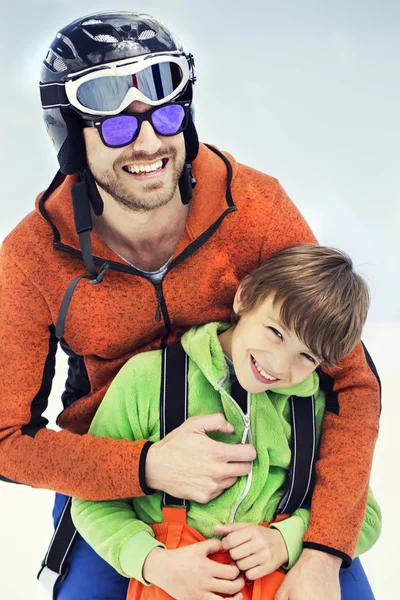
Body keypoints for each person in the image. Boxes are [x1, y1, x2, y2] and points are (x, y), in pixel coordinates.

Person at [0, 10, 380, 600]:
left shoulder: (255, 207)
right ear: (71, 137)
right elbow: (5, 440)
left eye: (165, 116)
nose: (149, 143)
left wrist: (322, 549)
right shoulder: (32, 257)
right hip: (118, 493)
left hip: (272, 481)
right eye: (119, 129)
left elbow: (352, 378)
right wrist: (145, 467)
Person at [71, 244, 381, 600]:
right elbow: (92, 499)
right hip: (171, 578)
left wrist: (285, 540)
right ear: (245, 297)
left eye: (306, 356)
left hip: (274, 580)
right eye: (275, 332)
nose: (278, 366)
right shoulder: (146, 379)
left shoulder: (314, 407)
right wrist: (154, 562)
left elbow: (364, 513)